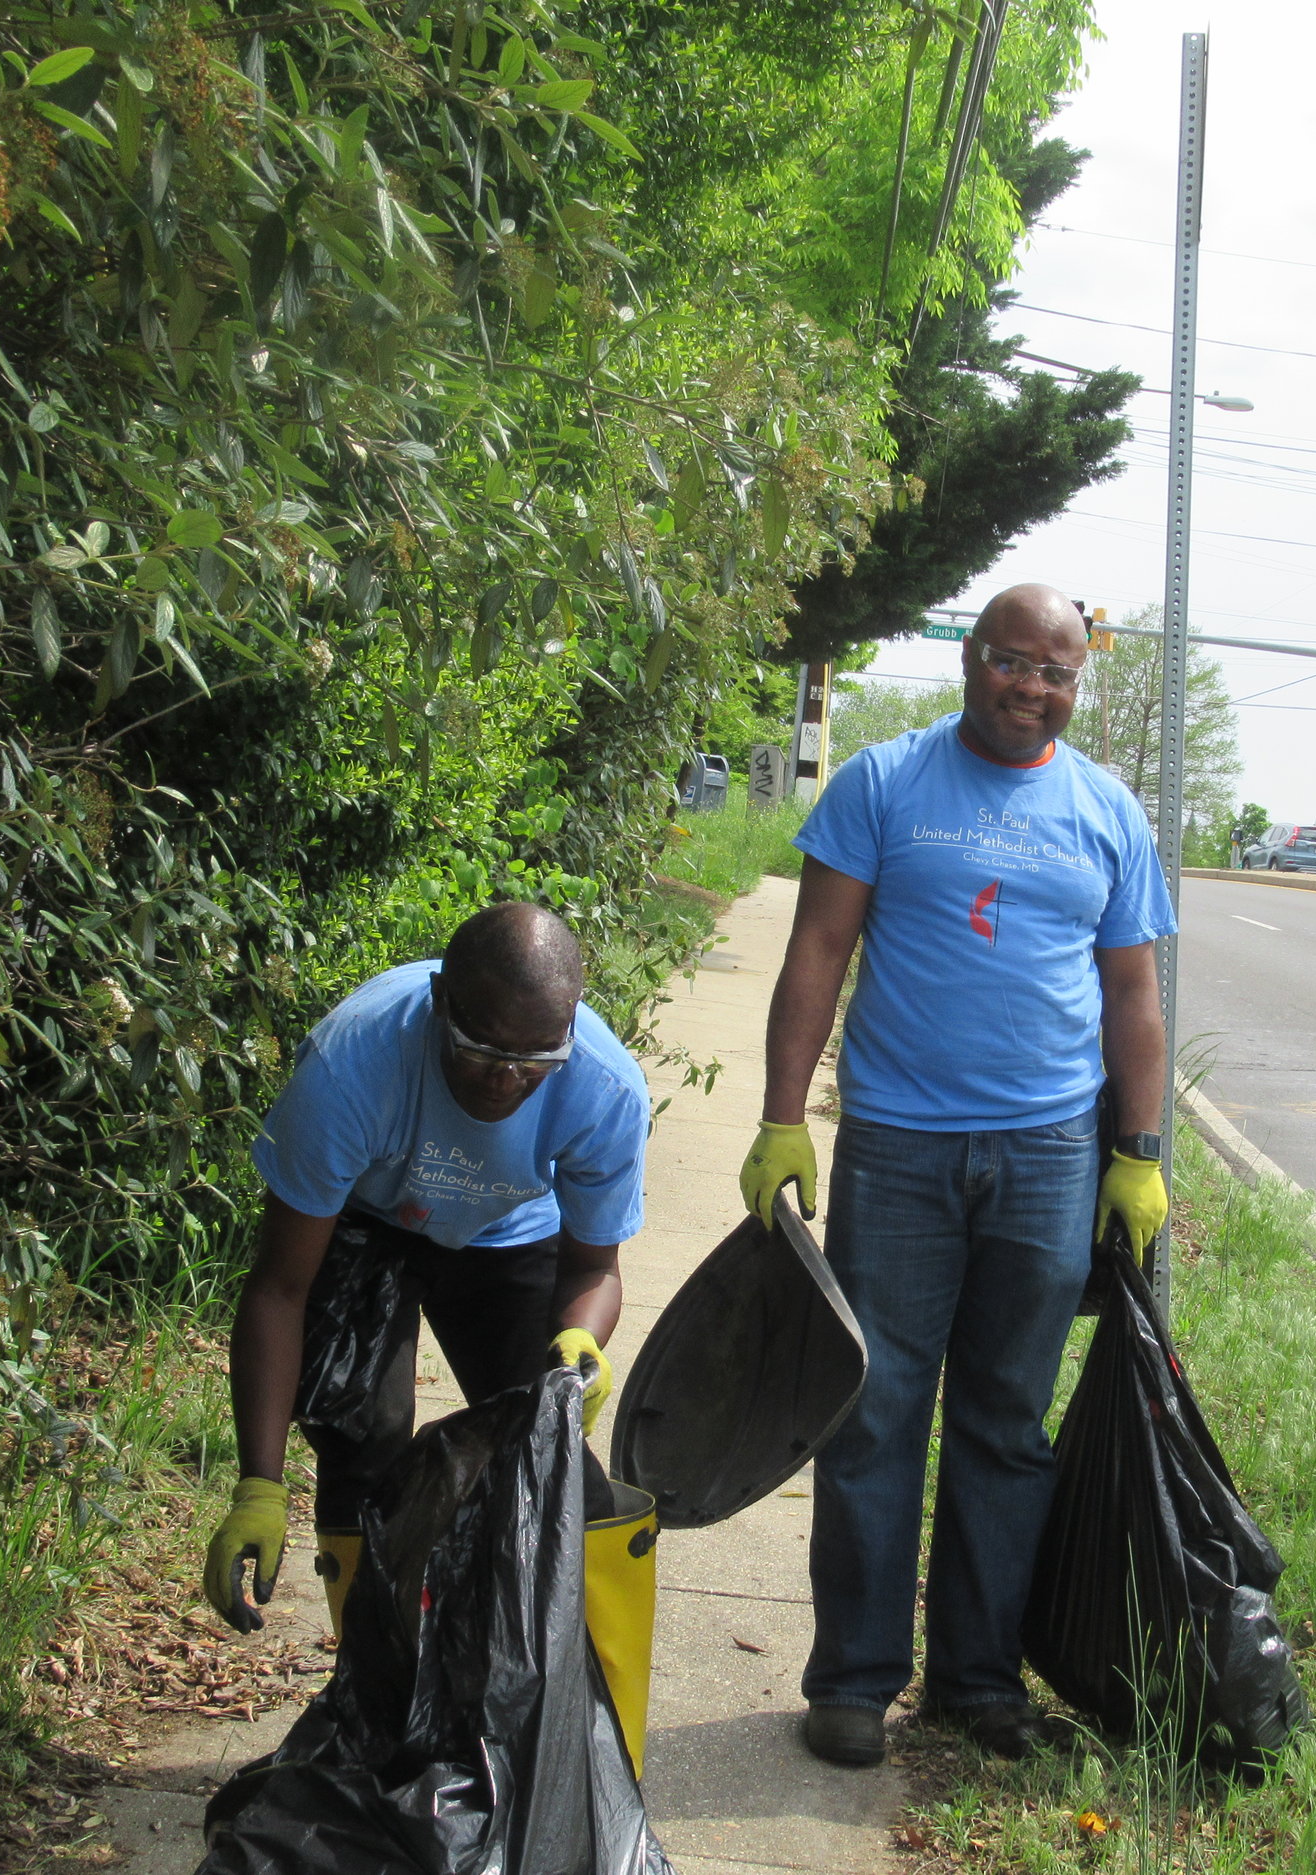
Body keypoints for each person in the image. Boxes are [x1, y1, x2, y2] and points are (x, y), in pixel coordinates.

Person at [741, 582, 1176, 1767]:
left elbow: (1132, 994)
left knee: (1004, 1424)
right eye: (1013, 663)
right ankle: (852, 1677)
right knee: (873, 1411)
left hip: (1047, 1155)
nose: (1033, 689)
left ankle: (977, 1684)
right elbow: (817, 949)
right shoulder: (884, 784)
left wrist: (1137, 1157)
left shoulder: (1106, 812)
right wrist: (785, 1119)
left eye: (1058, 673)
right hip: (897, 1147)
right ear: (969, 660)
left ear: (1077, 684)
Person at [202, 903, 648, 1637]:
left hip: (509, 1232)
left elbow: (595, 1267)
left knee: (548, 1456)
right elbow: (280, 1287)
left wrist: (580, 1341)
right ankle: (373, 1686)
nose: (506, 1080)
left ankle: (561, 1694)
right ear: (442, 1000)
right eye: (482, 1049)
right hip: (368, 1222)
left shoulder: (604, 1088)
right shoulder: (352, 1066)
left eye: (535, 1060)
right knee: (364, 1438)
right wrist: (260, 1482)